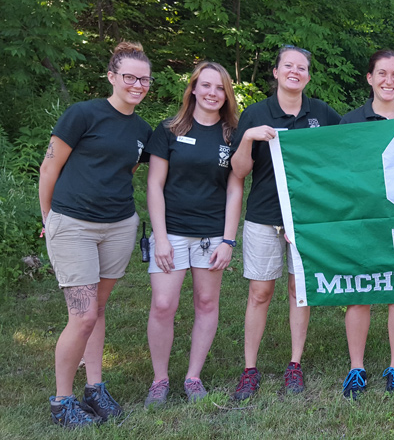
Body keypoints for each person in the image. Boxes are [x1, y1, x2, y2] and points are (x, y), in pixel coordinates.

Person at [39, 41, 153, 427]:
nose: (138, 85)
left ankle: (95, 389)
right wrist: (49, 219)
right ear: (112, 77)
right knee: (83, 316)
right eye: (130, 77)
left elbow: (128, 173)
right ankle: (62, 402)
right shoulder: (83, 114)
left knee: (98, 311)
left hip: (119, 225)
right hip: (73, 224)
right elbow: (48, 169)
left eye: (144, 79)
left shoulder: (142, 130)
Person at [229, 46, 341, 401]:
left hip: (306, 218)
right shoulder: (256, 113)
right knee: (260, 293)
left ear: (308, 76)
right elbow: (239, 170)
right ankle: (250, 369)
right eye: (288, 66)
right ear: (276, 72)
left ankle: (295, 365)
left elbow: (351, 144)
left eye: (302, 67)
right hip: (264, 215)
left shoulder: (321, 113)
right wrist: (248, 137)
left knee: (298, 292)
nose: (295, 72)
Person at [143, 62, 243, 407]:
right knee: (163, 304)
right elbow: (154, 185)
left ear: (226, 94)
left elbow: (234, 190)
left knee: (206, 303)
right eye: (206, 86)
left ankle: (193, 376)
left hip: (212, 235)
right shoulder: (169, 130)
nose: (213, 93)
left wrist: (228, 240)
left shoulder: (232, 135)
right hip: (171, 232)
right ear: (194, 89)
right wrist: (162, 237)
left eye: (220, 88)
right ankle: (160, 379)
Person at [338, 49, 394, 399]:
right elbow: (337, 172)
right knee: (359, 293)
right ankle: (356, 367)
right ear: (370, 78)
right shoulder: (350, 121)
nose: (389, 81)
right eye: (382, 73)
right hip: (363, 218)